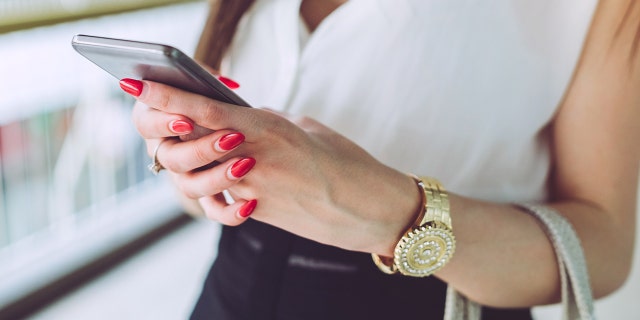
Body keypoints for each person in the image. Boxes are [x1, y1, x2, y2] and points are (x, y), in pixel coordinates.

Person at [119, 0, 639, 319]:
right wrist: (194, 161)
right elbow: (200, 202)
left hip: (428, 306)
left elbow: (605, 251)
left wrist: (395, 213)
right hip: (228, 293)